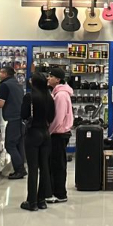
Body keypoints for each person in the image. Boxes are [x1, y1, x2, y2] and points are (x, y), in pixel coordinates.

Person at [20, 72, 56, 211]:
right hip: (46, 134)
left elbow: (24, 115)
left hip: (33, 133)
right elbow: (51, 117)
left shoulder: (29, 97)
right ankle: (42, 200)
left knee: (33, 168)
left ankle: (32, 201)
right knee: (44, 167)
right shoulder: (49, 97)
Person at [0, 66, 26, 179]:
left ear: (5, 74)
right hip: (20, 118)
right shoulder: (18, 84)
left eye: (1, 72)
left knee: (10, 145)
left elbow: (1, 104)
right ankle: (20, 169)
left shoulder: (5, 85)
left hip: (13, 118)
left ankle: (19, 170)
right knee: (19, 144)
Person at [46, 67, 74, 203]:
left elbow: (58, 117)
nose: (48, 78)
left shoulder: (61, 95)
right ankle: (56, 191)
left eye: (51, 76)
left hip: (59, 134)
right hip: (59, 133)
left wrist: (49, 131)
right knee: (56, 163)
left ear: (58, 79)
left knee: (57, 164)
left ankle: (60, 193)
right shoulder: (59, 93)